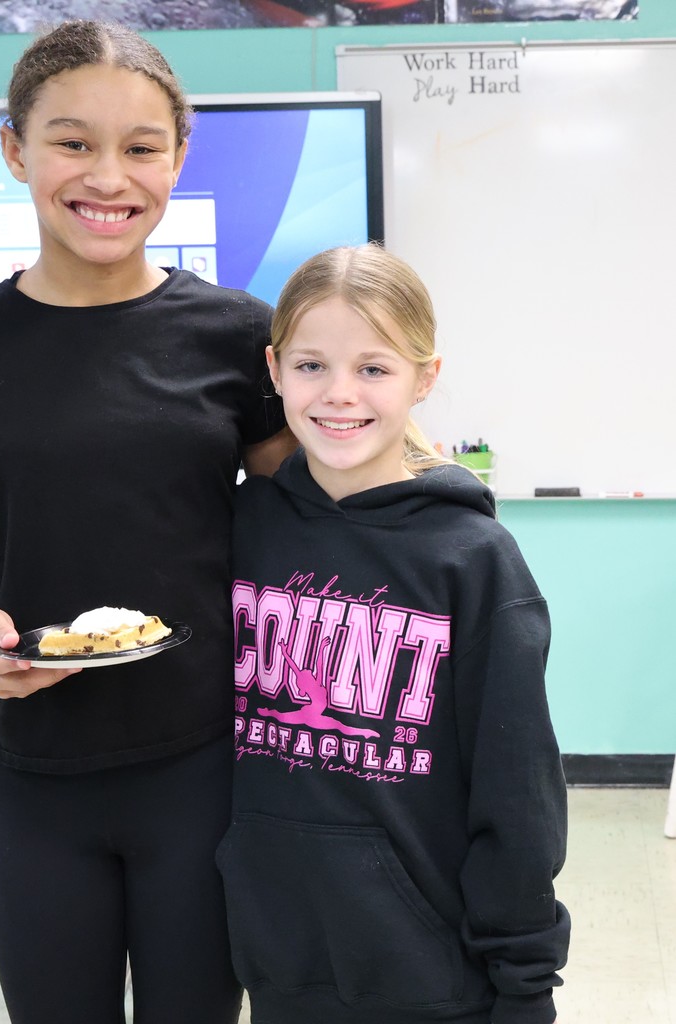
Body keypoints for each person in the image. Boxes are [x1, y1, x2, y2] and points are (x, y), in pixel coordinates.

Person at [0, 19, 293, 1024]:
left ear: (179, 158)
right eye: (72, 141)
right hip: (32, 777)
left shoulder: (240, 337)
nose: (109, 176)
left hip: (207, 767)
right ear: (14, 149)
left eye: (142, 147)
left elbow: (305, 537)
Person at [217, 243, 570, 1024]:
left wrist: (526, 981)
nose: (340, 395)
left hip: (434, 981)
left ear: (424, 379)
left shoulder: (474, 560)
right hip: (278, 968)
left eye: (373, 369)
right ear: (274, 372)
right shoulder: (241, 530)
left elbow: (517, 795)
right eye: (312, 366)